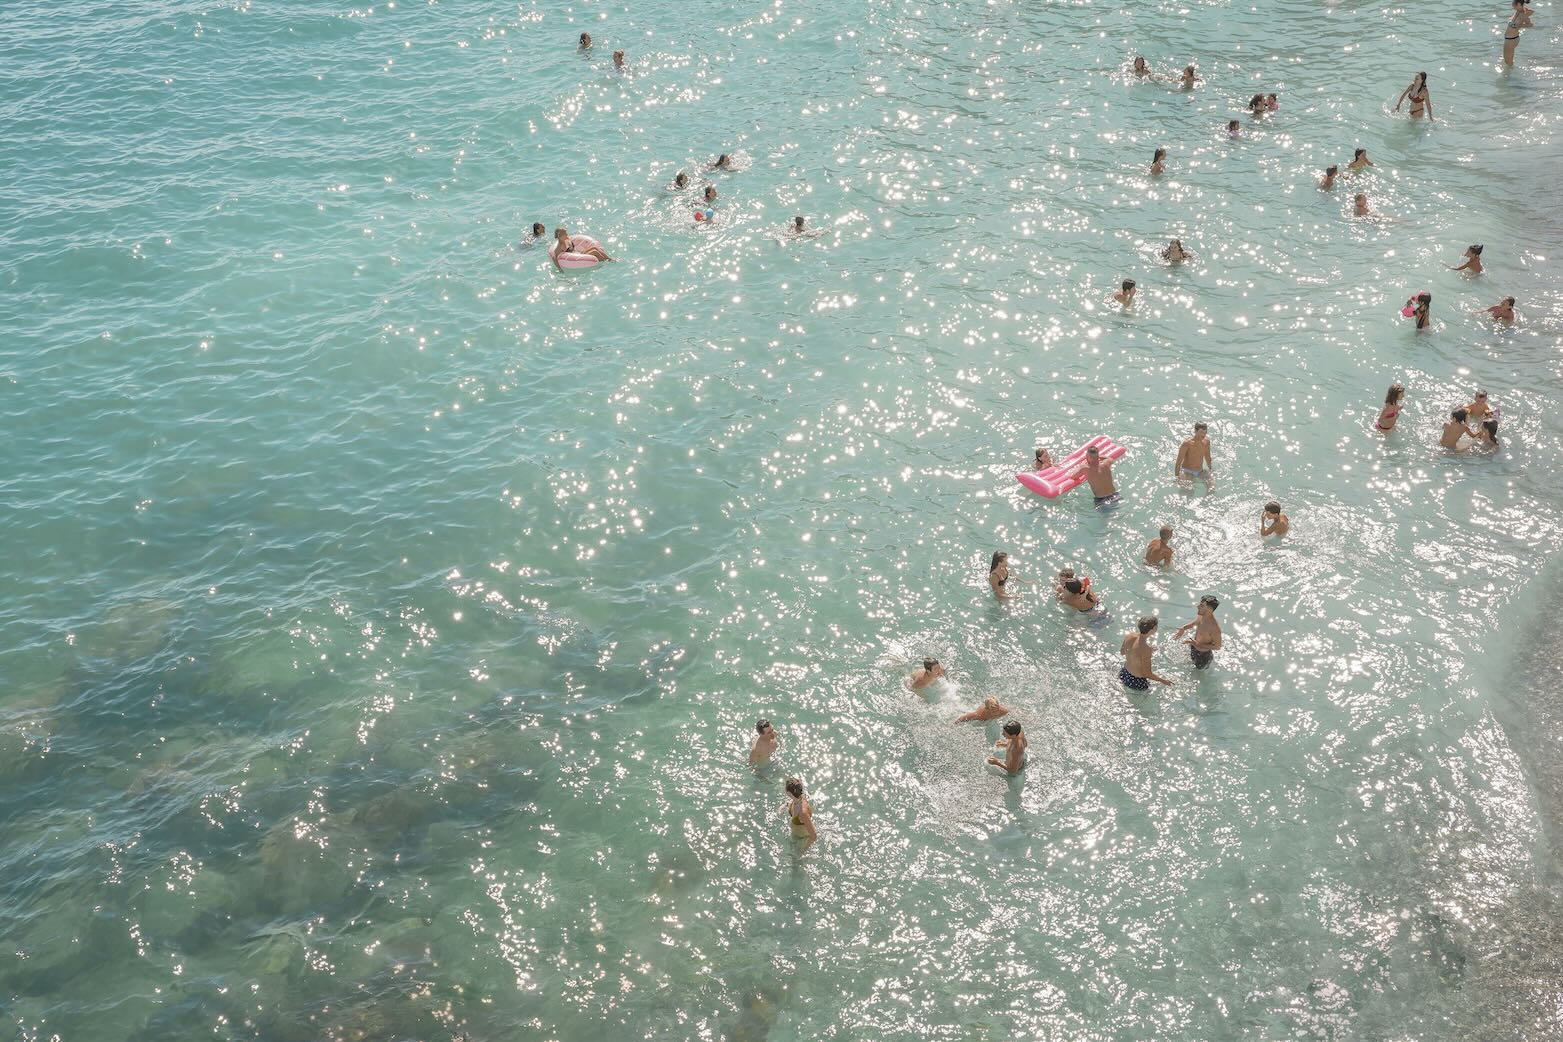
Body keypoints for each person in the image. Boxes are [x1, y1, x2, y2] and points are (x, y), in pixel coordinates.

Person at [1119, 616, 1174, 690]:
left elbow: (1122, 652)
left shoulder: (1130, 635)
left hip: (1124, 673)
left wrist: (1143, 651)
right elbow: (1147, 673)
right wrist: (1163, 680)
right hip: (1136, 681)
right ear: (1154, 628)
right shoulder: (1146, 649)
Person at [1174, 595, 1223, 670]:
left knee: (1197, 673)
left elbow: (1218, 646)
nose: (1197, 606)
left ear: (1209, 609)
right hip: (1194, 647)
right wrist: (1184, 628)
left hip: (1203, 656)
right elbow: (1196, 622)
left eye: (1202, 605)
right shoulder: (1202, 615)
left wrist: (1198, 644)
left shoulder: (1214, 628)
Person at [784, 778, 816, 852]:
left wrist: (803, 850)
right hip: (796, 834)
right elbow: (793, 800)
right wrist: (786, 805)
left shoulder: (802, 813)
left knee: (793, 858)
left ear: (788, 793)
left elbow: (813, 836)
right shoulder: (799, 797)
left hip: (802, 839)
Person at [1504, 0, 1531, 65]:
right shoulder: (1517, 12)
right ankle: (1511, 70)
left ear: (1518, 4)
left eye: (1513, 3)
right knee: (1507, 60)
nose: (1512, 4)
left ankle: (1511, 71)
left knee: (1508, 61)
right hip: (1510, 39)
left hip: (1511, 39)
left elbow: (1530, 24)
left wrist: (1519, 25)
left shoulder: (1522, 14)